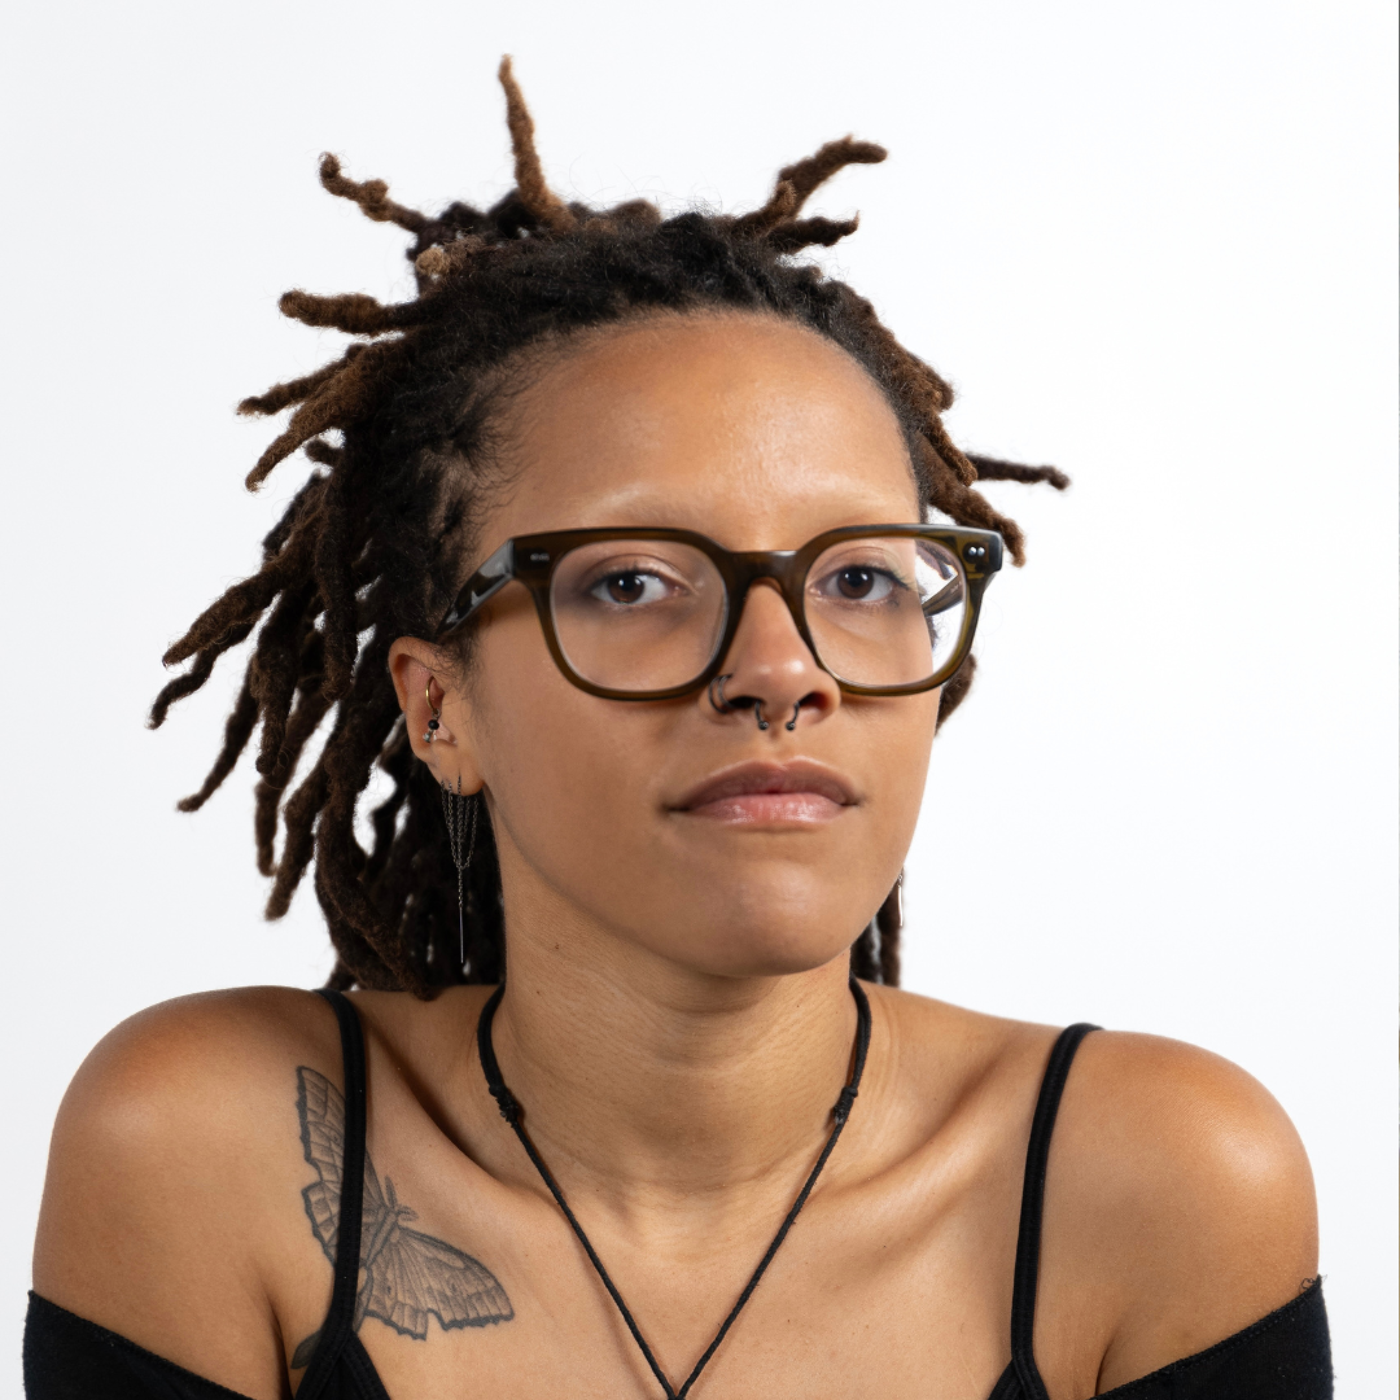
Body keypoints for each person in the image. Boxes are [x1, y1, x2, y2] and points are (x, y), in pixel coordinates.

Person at [24, 59, 1330, 1400]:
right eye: (632, 582)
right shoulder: (207, 1150)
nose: (781, 670)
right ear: (439, 706)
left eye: (861, 580)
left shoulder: (1159, 1185)